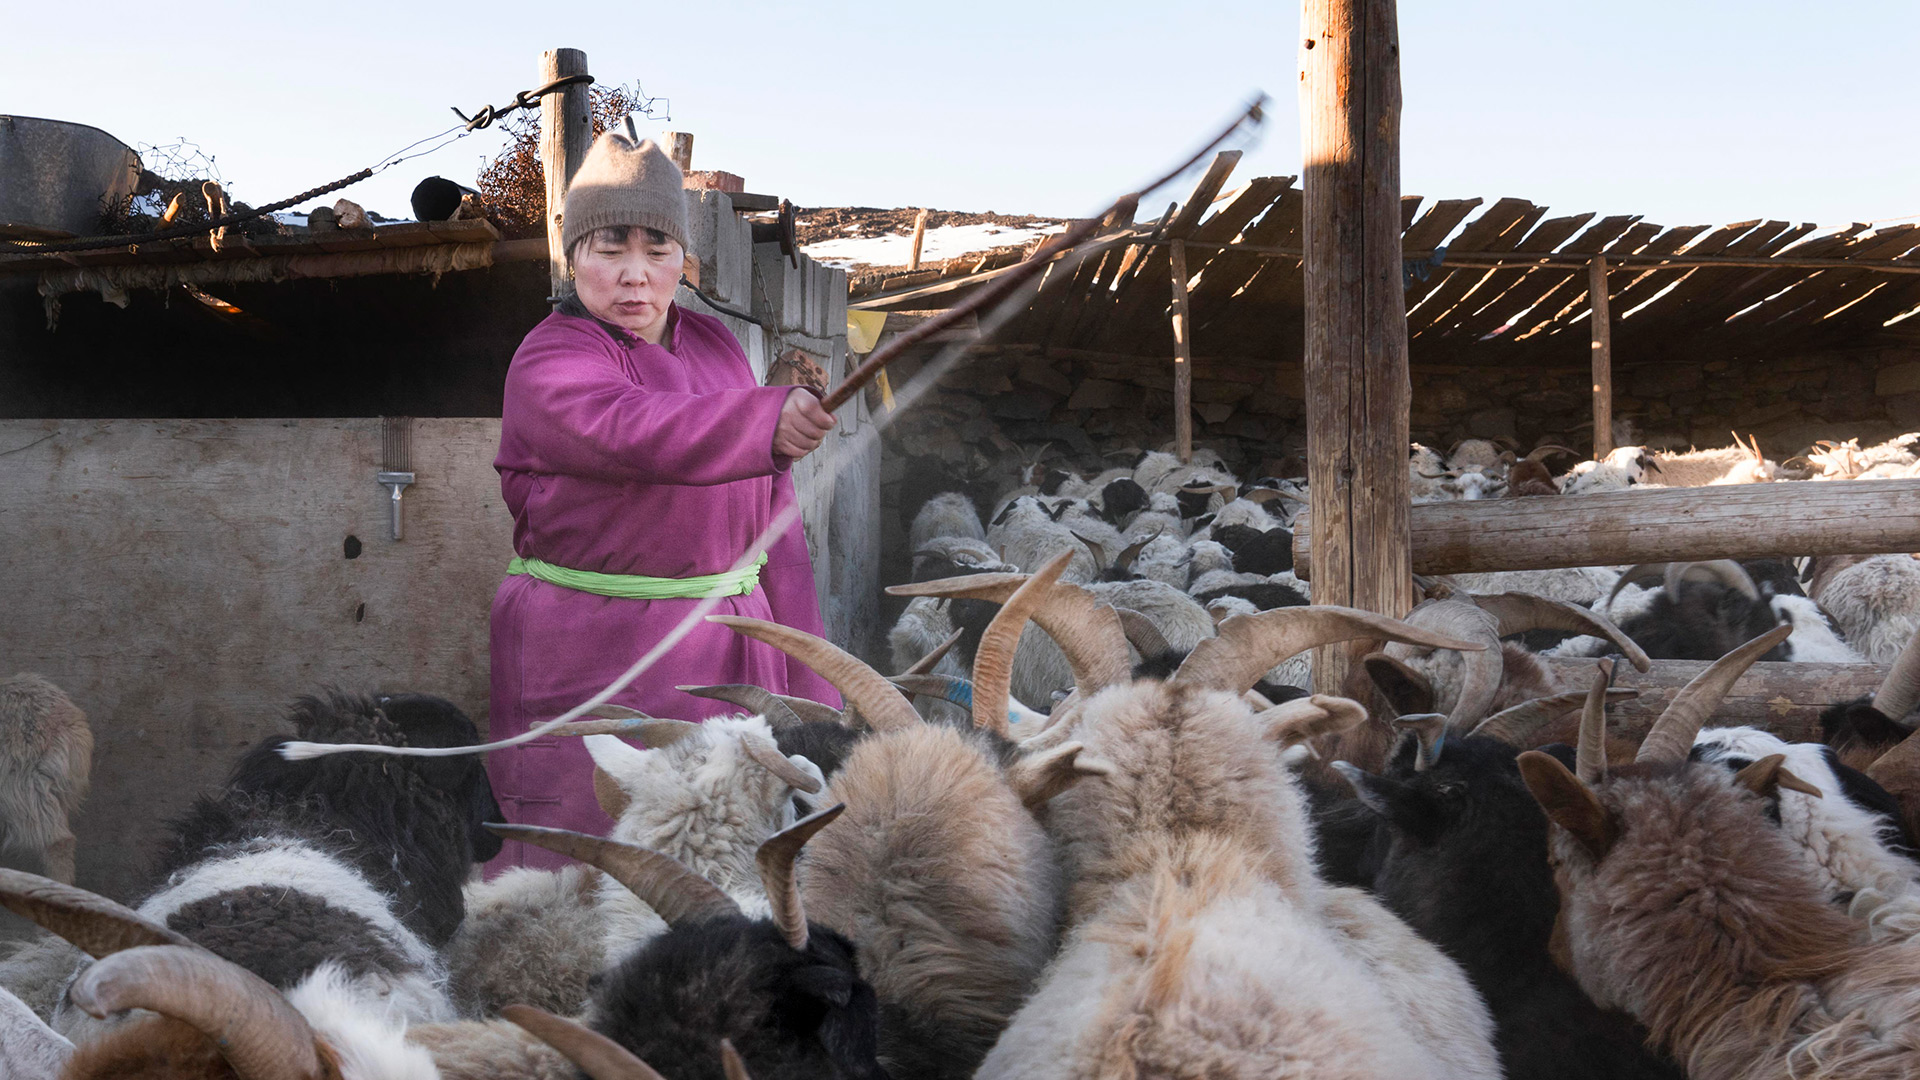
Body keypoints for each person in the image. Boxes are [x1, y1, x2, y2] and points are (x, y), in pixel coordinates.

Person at [486, 132, 840, 872]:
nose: (635, 276)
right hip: (599, 660)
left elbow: (773, 525)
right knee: (583, 872)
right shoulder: (552, 359)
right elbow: (632, 431)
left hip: (732, 660)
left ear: (685, 258)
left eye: (658, 249)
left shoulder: (713, 345)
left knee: (726, 861)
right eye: (610, 247)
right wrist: (761, 419)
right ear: (574, 253)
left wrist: (813, 688)